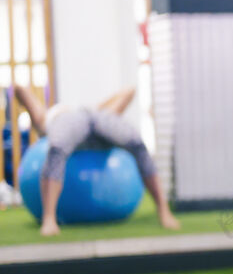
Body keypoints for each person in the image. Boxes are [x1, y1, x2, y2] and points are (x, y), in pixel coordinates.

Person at [13, 84, 181, 237]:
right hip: (67, 119)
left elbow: (130, 90)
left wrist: (100, 109)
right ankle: (49, 219)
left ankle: (164, 211)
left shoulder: (94, 114)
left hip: (98, 115)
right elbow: (20, 90)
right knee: (57, 148)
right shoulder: (46, 119)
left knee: (137, 143)